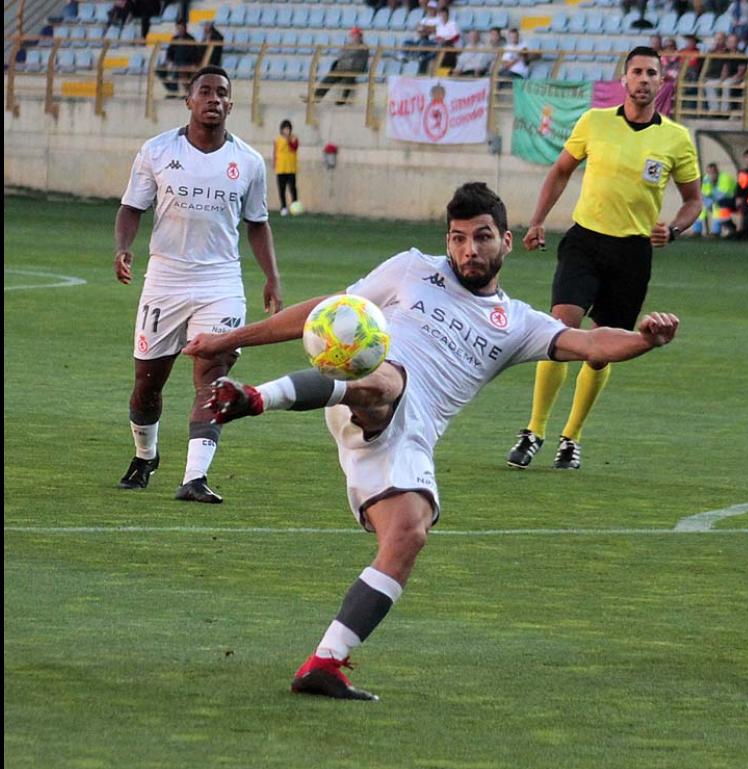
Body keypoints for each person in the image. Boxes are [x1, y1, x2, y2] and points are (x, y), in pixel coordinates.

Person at [183, 182, 681, 700]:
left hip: (413, 434)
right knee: (387, 379)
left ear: (507, 242)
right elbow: (329, 311)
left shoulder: (518, 323)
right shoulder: (411, 267)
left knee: (408, 534)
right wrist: (226, 339)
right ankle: (258, 399)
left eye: (481, 238)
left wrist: (645, 338)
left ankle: (324, 663)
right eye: (458, 238)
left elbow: (591, 341)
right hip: (373, 386)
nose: (468, 250)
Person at [506, 46, 701, 471]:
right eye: (637, 72)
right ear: (625, 79)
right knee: (559, 330)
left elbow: (693, 200)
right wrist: (537, 220)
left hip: (632, 253)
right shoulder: (594, 121)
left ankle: (570, 438)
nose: (645, 79)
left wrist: (677, 228)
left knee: (599, 352)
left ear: (662, 81)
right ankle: (533, 431)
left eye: (653, 72)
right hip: (585, 241)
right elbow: (560, 170)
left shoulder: (675, 139)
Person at [114, 65, 282, 503]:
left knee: (212, 377)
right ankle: (145, 455)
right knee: (147, 384)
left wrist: (271, 277)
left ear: (230, 104)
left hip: (220, 282)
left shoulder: (248, 161)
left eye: (221, 93)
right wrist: (123, 248)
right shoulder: (156, 151)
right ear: (189, 101)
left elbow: (258, 223)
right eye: (204, 91)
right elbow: (132, 207)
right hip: (165, 280)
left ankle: (195, 477)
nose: (213, 99)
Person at [313, 28, 369, 105]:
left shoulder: (363, 46)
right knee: (329, 78)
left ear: (359, 36)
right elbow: (341, 53)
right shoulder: (349, 45)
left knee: (349, 78)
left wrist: (346, 52)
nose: (353, 37)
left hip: (355, 68)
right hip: (344, 67)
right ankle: (316, 97)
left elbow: (351, 54)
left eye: (355, 35)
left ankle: (343, 99)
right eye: (352, 35)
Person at [158, 20, 199, 96]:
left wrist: (192, 64)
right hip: (175, 63)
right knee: (159, 69)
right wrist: (169, 61)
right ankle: (172, 89)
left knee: (179, 69)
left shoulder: (191, 39)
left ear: (185, 28)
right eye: (178, 28)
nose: (180, 30)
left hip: (186, 63)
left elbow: (194, 55)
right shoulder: (174, 39)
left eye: (181, 28)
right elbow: (169, 52)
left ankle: (177, 92)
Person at [274, 119, 299, 217]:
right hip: (281, 168)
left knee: (293, 188)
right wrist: (275, 164)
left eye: (288, 129)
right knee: (282, 189)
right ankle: (283, 207)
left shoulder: (294, 138)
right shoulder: (277, 140)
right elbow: (275, 152)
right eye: (285, 129)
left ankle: (295, 206)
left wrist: (288, 139)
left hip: (291, 168)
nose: (286, 131)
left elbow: (294, 148)